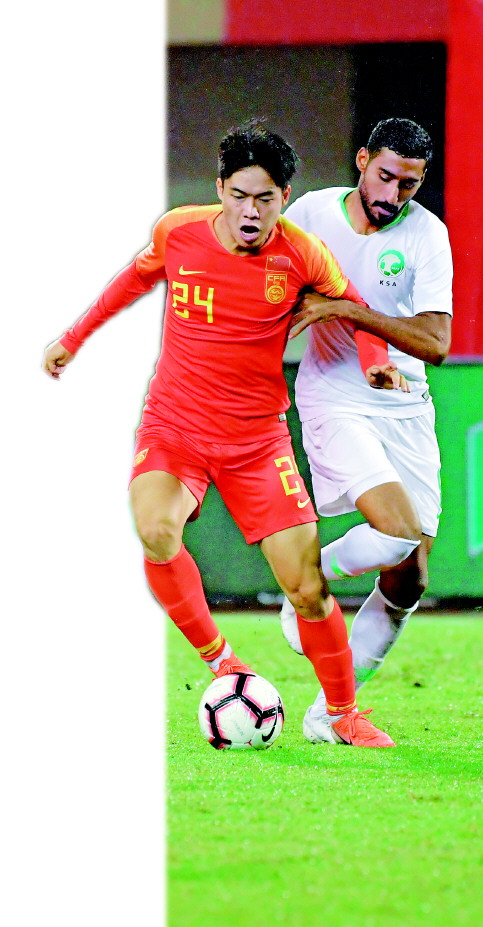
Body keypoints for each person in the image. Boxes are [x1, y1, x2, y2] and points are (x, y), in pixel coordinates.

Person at [42, 119, 403, 748]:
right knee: (155, 529)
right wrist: (72, 339)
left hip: (258, 443)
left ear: (284, 197)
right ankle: (223, 663)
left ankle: (342, 713)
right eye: (239, 196)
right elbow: (132, 280)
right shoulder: (178, 230)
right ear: (220, 190)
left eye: (264, 199)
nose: (250, 212)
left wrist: (375, 360)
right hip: (175, 425)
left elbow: (355, 309)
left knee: (307, 588)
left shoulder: (302, 254)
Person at [279, 118, 452, 740]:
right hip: (334, 396)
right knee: (395, 530)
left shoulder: (427, 235)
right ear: (361, 161)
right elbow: (269, 284)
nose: (393, 194)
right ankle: (306, 580)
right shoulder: (311, 214)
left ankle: (329, 715)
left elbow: (436, 342)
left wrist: (350, 309)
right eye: (385, 176)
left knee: (409, 579)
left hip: (406, 403)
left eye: (408, 184)